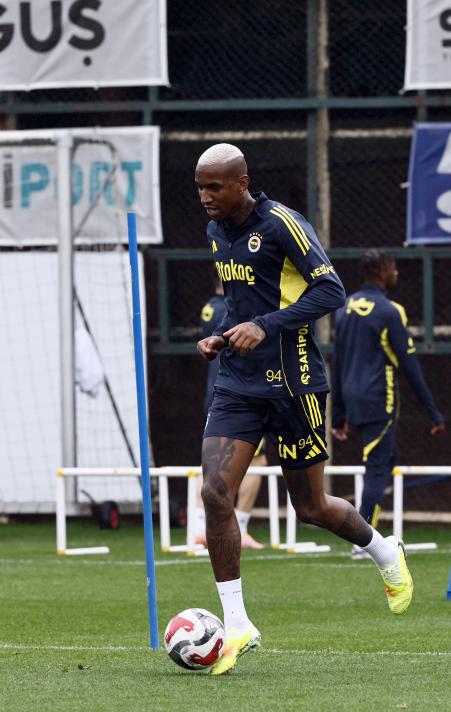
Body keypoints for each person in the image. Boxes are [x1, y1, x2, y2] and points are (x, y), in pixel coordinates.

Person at [195, 144, 414, 676]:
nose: (205, 197)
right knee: (215, 493)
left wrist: (264, 326)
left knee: (311, 508)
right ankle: (238, 623)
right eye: (199, 187)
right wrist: (222, 334)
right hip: (238, 385)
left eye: (214, 187)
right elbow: (243, 303)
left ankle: (385, 552)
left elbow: (331, 291)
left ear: (242, 182)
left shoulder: (282, 224)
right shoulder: (216, 231)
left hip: (294, 386)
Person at [331, 248, 445, 558]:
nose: (396, 272)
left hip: (353, 396)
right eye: (393, 267)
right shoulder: (390, 311)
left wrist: (338, 414)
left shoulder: (346, 307)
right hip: (379, 398)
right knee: (377, 468)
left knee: (387, 456)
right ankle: (363, 541)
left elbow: (338, 361)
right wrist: (433, 411)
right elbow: (410, 365)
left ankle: (368, 526)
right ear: (382, 270)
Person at [196, 275, 265, 550]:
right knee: (257, 462)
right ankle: (241, 526)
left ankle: (201, 526)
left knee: (210, 462)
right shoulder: (233, 310)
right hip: (236, 394)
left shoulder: (209, 307)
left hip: (215, 392)